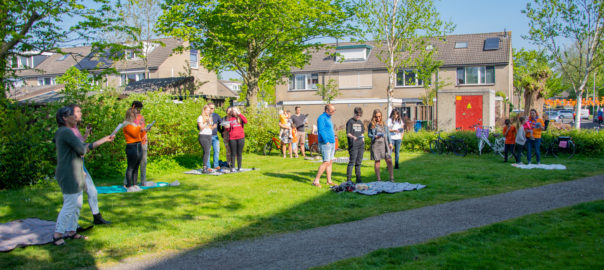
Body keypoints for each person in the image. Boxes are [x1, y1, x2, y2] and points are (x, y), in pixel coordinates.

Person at [53, 105, 114, 246]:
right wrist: (89, 145)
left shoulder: (63, 132)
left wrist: (104, 139)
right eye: (73, 115)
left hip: (76, 170)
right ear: (64, 118)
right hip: (69, 173)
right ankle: (57, 235)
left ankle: (71, 231)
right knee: (70, 204)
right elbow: (82, 149)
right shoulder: (66, 132)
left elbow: (82, 148)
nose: (77, 117)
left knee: (78, 204)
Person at [69, 105, 110, 225]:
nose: (80, 113)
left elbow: (82, 144)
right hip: (74, 166)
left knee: (92, 191)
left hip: (82, 165)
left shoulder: (75, 128)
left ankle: (97, 217)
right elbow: (78, 149)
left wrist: (86, 135)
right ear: (70, 115)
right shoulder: (68, 131)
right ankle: (73, 226)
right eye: (78, 111)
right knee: (76, 199)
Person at [123, 101, 148, 187]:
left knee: (139, 164)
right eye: (138, 109)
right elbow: (134, 133)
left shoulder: (139, 119)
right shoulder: (127, 123)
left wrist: (145, 130)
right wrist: (140, 126)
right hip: (132, 145)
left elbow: (140, 130)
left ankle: (136, 184)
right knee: (131, 166)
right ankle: (128, 184)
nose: (139, 111)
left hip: (140, 143)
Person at [312, 104, 336, 187]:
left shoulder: (329, 118)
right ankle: (316, 181)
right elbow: (321, 131)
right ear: (327, 110)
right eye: (332, 111)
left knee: (330, 162)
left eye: (334, 110)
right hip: (325, 143)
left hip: (332, 142)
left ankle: (329, 181)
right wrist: (326, 141)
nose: (333, 112)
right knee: (325, 162)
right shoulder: (321, 118)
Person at [368, 109, 394, 182]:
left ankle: (391, 177)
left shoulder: (384, 123)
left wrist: (390, 142)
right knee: (377, 161)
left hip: (384, 143)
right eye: (376, 117)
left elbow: (388, 133)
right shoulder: (371, 124)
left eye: (379, 116)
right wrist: (374, 136)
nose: (378, 118)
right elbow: (369, 134)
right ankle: (379, 179)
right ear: (374, 116)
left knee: (389, 160)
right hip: (376, 144)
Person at [346, 107, 365, 184]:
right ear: (354, 113)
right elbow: (348, 133)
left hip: (361, 144)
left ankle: (358, 178)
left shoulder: (360, 122)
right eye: (357, 115)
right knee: (352, 162)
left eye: (360, 115)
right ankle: (349, 180)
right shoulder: (350, 122)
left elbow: (362, 133)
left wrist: (363, 140)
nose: (358, 116)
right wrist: (353, 137)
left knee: (359, 162)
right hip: (353, 145)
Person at [226, 107, 247, 172]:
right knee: (233, 153)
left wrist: (239, 114)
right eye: (233, 111)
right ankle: (233, 167)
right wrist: (227, 128)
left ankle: (239, 167)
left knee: (239, 153)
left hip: (240, 137)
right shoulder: (230, 119)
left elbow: (246, 121)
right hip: (232, 138)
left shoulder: (240, 118)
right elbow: (229, 129)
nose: (234, 112)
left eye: (235, 111)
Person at [197, 105, 214, 173]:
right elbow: (201, 127)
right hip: (203, 136)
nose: (208, 112)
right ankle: (204, 168)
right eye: (207, 110)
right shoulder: (200, 117)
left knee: (207, 151)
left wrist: (210, 122)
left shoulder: (209, 117)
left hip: (209, 135)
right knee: (207, 151)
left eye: (209, 111)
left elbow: (211, 127)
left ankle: (206, 167)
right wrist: (206, 122)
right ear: (204, 110)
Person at [208, 103, 222, 170]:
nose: (212, 109)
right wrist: (212, 127)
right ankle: (208, 166)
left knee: (216, 150)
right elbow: (199, 127)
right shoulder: (204, 116)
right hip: (207, 136)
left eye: (213, 108)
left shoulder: (216, 115)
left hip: (215, 136)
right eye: (211, 108)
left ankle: (216, 165)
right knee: (207, 151)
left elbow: (221, 123)